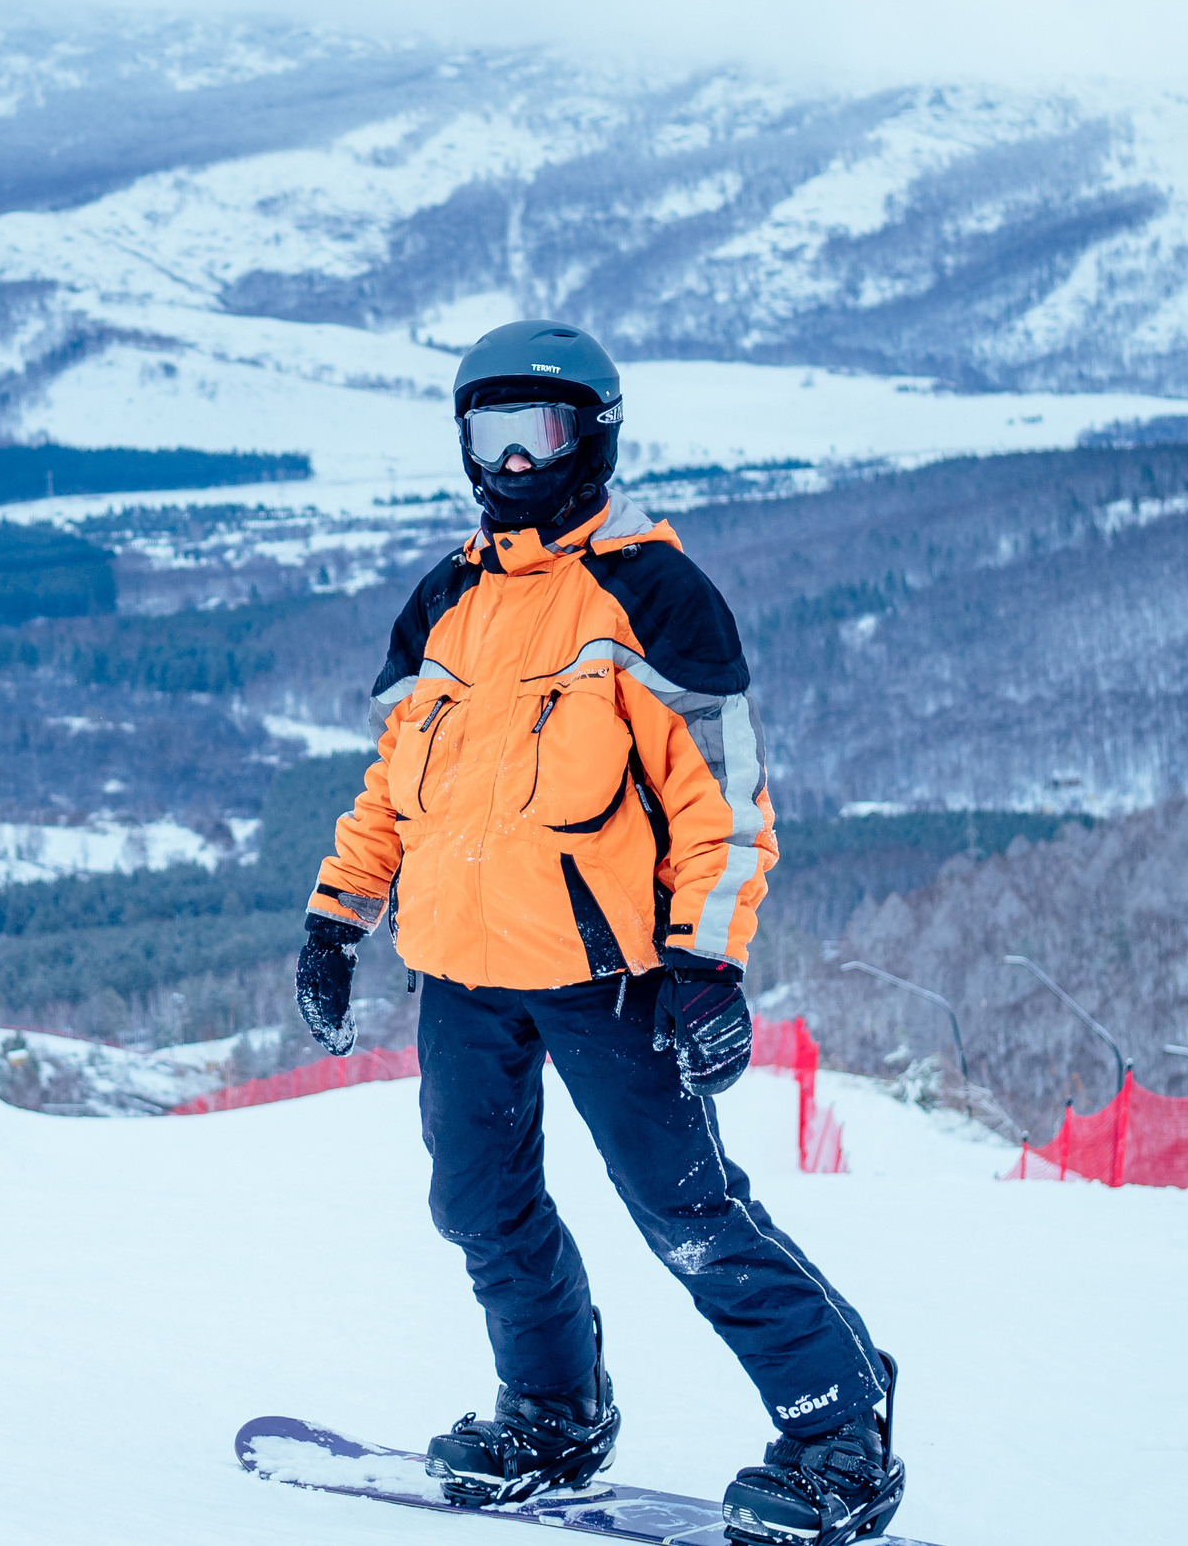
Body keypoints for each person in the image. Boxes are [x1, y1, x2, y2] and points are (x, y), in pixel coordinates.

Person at [294, 322, 905, 1544]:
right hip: (461, 970)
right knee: (479, 1208)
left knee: (685, 1210)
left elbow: (723, 805)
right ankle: (553, 1413)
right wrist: (336, 916)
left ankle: (840, 1433)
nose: (515, 464)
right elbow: (392, 786)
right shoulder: (444, 602)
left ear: (595, 439)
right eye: (490, 436)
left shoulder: (651, 594)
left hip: (611, 976)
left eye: (542, 434)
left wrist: (707, 963)